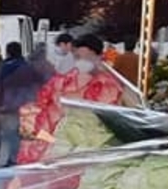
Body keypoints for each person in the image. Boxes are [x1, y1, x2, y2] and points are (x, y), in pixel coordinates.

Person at [17, 32, 141, 164]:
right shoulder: (62, 82)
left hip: (95, 152)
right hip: (64, 150)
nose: (80, 62)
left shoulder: (112, 84)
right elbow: (42, 109)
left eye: (85, 57)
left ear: (99, 56)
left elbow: (134, 109)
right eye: (77, 57)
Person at [0, 40, 47, 168]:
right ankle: (24, 158)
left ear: (8, 52)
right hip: (27, 105)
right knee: (23, 134)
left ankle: (13, 159)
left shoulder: (5, 67)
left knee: (10, 134)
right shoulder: (28, 66)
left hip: (9, 106)